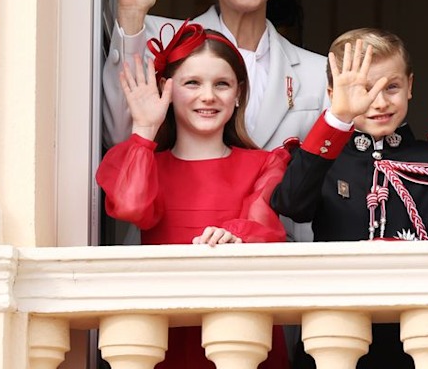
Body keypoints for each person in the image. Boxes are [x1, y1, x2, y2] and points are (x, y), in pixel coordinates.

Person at [102, 0, 328, 242]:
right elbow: (121, 136)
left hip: (276, 254)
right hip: (164, 250)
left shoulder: (317, 71)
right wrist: (132, 15)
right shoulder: (163, 42)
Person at [270, 29, 428, 369]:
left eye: (392, 87)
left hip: (420, 343)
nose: (380, 102)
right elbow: (291, 204)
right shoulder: (321, 160)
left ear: (410, 86)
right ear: (333, 94)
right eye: (363, 90)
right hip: (334, 339)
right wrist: (338, 119)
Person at [95, 21, 291, 369]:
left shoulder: (265, 163)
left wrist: (234, 234)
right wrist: (144, 128)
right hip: (164, 333)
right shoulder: (146, 163)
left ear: (239, 93)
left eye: (222, 84)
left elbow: (267, 230)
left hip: (241, 332)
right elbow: (131, 207)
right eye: (192, 83)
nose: (208, 96)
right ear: (167, 91)